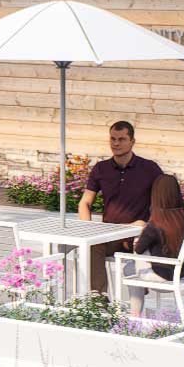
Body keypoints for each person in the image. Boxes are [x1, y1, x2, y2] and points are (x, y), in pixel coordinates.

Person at [78, 119, 162, 283]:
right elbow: (85, 202)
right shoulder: (101, 168)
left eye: (121, 139)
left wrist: (148, 224)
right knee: (91, 246)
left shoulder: (150, 168)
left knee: (138, 233)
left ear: (132, 142)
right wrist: (86, 229)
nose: (116, 144)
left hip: (138, 236)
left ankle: (135, 303)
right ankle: (99, 302)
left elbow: (164, 203)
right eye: (113, 139)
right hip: (110, 235)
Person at [117, 175, 184, 313]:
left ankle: (135, 314)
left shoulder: (155, 223)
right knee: (137, 262)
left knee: (128, 268)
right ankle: (139, 306)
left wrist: (138, 238)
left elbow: (139, 250)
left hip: (160, 279)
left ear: (155, 196)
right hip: (181, 273)